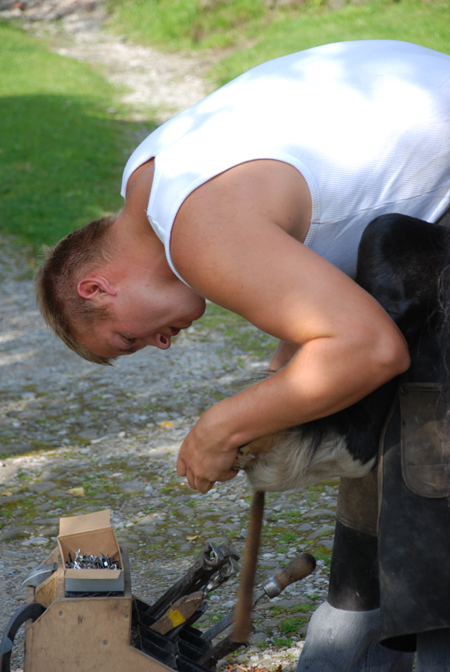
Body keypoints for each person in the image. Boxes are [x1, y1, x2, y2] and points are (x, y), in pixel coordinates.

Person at [35, 40, 450, 670]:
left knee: (423, 443)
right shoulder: (147, 177)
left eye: (130, 338)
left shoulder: (198, 234)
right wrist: (286, 391)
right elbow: (322, 267)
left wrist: (220, 427)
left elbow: (369, 348)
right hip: (420, 191)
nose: (163, 343)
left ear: (97, 286)